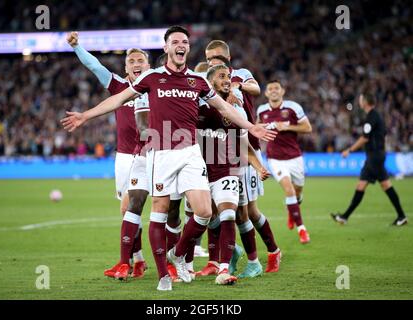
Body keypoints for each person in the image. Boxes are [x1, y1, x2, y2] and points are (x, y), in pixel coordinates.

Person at [61, 25, 276, 291]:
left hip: (190, 152)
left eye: (184, 41)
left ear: (187, 47)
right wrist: (85, 115)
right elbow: (118, 100)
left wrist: (250, 127)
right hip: (161, 153)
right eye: (175, 41)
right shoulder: (152, 77)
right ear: (166, 48)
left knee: (205, 212)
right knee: (160, 212)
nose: (180, 44)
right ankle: (164, 274)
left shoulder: (198, 82)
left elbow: (222, 107)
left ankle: (179, 253)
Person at [66, 32, 148, 278]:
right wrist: (77, 46)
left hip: (154, 153)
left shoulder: (157, 85)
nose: (135, 64)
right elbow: (94, 65)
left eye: (140, 60)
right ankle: (138, 260)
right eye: (131, 61)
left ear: (148, 65)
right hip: (125, 156)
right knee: (127, 210)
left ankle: (176, 260)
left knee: (167, 206)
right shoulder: (119, 86)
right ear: (125, 67)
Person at [205, 41, 281, 271]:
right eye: (209, 58)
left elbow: (256, 89)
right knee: (212, 208)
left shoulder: (239, 75)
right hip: (217, 150)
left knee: (246, 211)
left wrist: (232, 86)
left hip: (243, 146)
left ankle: (266, 254)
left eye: (217, 57)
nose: (213, 61)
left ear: (228, 57)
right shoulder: (209, 78)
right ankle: (229, 252)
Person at [331, 92, 408, 226]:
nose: (359, 101)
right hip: (374, 156)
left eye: (360, 99)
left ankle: (401, 216)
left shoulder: (372, 117)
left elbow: (364, 138)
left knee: (385, 185)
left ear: (365, 102)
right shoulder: (376, 116)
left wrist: (349, 150)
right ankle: (344, 217)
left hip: (375, 157)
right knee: (362, 186)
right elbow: (382, 133)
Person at [257, 80, 312, 244]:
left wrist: (287, 127)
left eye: (276, 88)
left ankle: (292, 210)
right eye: (270, 89)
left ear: (283, 91)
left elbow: (307, 128)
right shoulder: (262, 111)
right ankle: (302, 230)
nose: (273, 91)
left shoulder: (293, 107)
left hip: (295, 157)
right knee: (289, 190)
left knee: (298, 192)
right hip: (275, 159)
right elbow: (256, 128)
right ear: (266, 93)